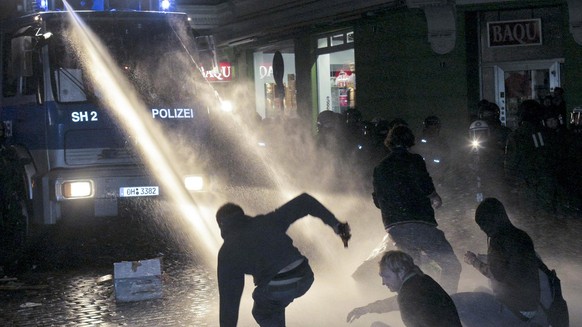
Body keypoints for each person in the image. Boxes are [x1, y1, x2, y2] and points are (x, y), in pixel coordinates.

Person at [216, 193, 351, 327]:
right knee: (272, 303)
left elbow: (230, 301)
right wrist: (336, 225)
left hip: (279, 284)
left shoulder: (227, 253)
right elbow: (304, 201)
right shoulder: (267, 220)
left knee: (262, 310)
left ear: (222, 225)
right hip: (305, 275)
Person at [372, 125, 461, 294]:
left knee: (411, 270)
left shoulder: (380, 168)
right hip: (419, 221)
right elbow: (424, 183)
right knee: (451, 265)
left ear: (389, 142)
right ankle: (446, 302)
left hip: (395, 227)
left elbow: (378, 201)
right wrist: (435, 197)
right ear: (410, 141)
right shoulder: (415, 160)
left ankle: (416, 304)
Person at [464, 198, 548, 326]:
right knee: (479, 289)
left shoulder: (498, 239)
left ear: (490, 221)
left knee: (462, 305)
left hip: (514, 308)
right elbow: (515, 263)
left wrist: (474, 261)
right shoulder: (522, 235)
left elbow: (495, 274)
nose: (483, 230)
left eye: (482, 225)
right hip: (531, 307)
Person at [347, 250, 462, 327]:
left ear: (401, 271)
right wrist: (367, 309)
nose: (383, 283)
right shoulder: (421, 281)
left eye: (386, 276)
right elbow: (394, 302)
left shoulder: (408, 295)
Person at [413, 115, 451, 187]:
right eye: (430, 126)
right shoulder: (419, 141)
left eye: (435, 126)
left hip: (438, 177)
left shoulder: (442, 142)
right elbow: (415, 157)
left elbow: (447, 160)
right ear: (426, 127)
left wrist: (442, 174)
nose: (433, 129)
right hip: (422, 177)